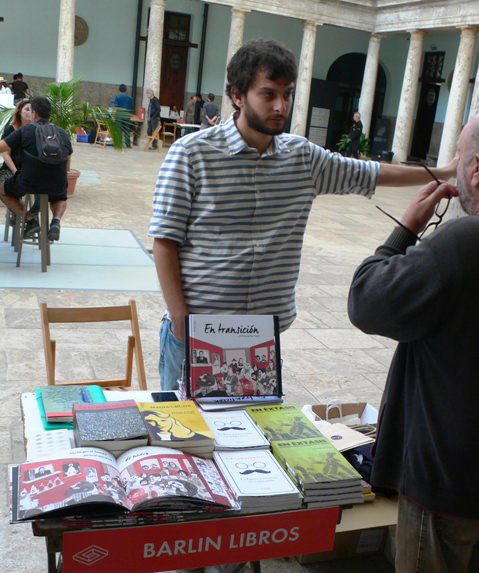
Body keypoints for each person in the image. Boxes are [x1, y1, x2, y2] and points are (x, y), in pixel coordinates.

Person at [148, 37, 456, 395]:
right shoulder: (192, 155)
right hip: (196, 333)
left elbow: (371, 172)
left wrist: (444, 172)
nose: (281, 106)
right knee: (187, 440)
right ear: (237, 95)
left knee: (248, 438)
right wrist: (182, 322)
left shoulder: (302, 158)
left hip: (261, 338)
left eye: (288, 94)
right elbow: (165, 241)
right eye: (268, 94)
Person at [347, 114, 479, 573]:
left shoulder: (463, 243)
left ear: (475, 170)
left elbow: (366, 301)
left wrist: (404, 231)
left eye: (457, 159)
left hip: (447, 488)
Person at [0, 96, 72, 241]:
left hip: (30, 183)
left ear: (34, 113)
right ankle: (56, 222)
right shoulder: (62, 133)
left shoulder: (25, 131)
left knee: (2, 189)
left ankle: (29, 220)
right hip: (58, 184)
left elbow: (2, 148)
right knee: (60, 196)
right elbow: (68, 160)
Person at [0, 99, 34, 225]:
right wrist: (15, 172)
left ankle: (24, 216)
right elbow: (5, 154)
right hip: (10, 169)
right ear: (19, 111)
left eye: (32, 110)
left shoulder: (36, 131)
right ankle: (21, 215)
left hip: (29, 172)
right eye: (26, 109)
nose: (29, 113)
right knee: (6, 183)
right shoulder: (11, 130)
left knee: (15, 186)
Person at [112, 84, 133, 148]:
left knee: (118, 130)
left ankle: (118, 144)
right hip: (127, 116)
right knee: (127, 131)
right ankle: (128, 144)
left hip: (119, 116)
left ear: (119, 89)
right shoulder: (130, 98)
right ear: (126, 89)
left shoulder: (117, 97)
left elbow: (115, 106)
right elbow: (130, 107)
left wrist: (113, 115)